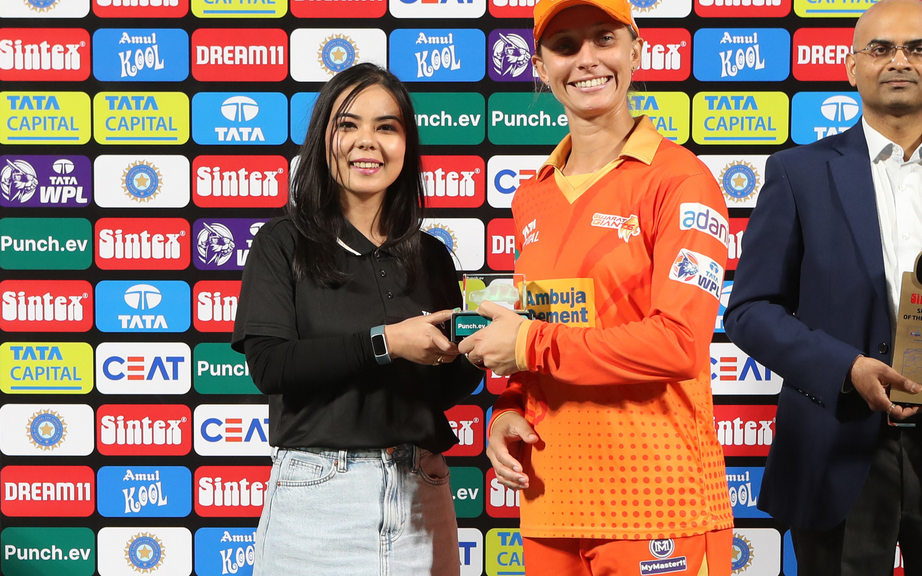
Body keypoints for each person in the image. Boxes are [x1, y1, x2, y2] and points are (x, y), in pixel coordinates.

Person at [724, 0, 922, 573]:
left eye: (918, 49)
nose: (899, 61)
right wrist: (846, 369)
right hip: (833, 448)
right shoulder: (796, 173)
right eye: (881, 49)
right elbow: (751, 310)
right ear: (851, 67)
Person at [457, 1, 734, 573]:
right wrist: (508, 407)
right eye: (565, 45)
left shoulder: (681, 180)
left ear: (637, 50)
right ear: (541, 67)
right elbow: (540, 331)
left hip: (658, 503)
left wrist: (529, 344)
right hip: (550, 497)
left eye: (604, 38)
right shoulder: (531, 196)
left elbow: (680, 344)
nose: (586, 59)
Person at [231, 62, 483, 576]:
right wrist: (385, 342)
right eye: (348, 124)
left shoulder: (432, 255)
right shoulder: (283, 242)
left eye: (386, 127)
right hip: (318, 496)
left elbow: (439, 391)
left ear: (406, 145)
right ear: (323, 139)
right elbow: (270, 366)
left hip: (423, 494)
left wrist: (478, 350)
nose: (367, 141)